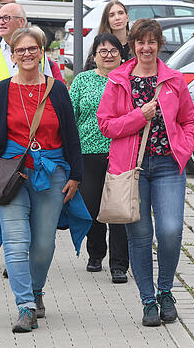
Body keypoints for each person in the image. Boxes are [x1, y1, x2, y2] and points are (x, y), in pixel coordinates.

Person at [0, 26, 83, 333]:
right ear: (13, 55)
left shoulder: (56, 89)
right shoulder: (2, 90)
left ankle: (37, 290)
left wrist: (76, 176)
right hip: (10, 176)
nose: (27, 54)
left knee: (43, 243)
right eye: (21, 50)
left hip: (51, 173)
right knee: (16, 244)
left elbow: (71, 135)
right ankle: (25, 306)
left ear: (42, 53)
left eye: (33, 49)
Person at [97, 18, 194, 327]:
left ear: (159, 45)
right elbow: (107, 125)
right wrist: (139, 116)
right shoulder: (118, 80)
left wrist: (183, 146)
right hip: (132, 169)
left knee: (170, 230)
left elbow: (190, 120)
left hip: (168, 165)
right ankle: (148, 301)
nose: (146, 47)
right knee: (140, 237)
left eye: (152, 42)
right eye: (141, 42)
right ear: (133, 45)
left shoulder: (173, 80)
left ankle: (165, 290)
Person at [69, 34, 130, 284]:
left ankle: (119, 264)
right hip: (88, 152)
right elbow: (70, 116)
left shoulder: (128, 80)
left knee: (118, 209)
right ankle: (95, 254)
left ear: (121, 55)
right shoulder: (83, 80)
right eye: (102, 51)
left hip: (120, 152)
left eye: (113, 50)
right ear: (94, 57)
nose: (108, 55)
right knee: (91, 207)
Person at [0, 3, 58, 112]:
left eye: (6, 18)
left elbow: (50, 88)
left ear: (21, 22)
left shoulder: (37, 52)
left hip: (33, 123)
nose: (1, 22)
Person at [86, 0, 132, 70]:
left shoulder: (137, 44)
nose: (117, 18)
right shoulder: (99, 46)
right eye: (112, 15)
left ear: (127, 17)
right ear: (107, 20)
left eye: (120, 13)